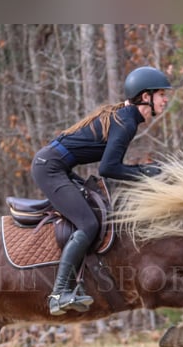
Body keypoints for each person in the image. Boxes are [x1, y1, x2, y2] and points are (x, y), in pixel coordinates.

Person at [31, 65, 172, 316]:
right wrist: (143, 173)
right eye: (161, 94)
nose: (166, 99)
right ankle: (59, 293)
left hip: (58, 167)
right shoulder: (126, 122)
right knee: (88, 224)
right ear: (145, 97)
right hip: (50, 168)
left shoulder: (126, 117)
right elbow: (108, 168)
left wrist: (143, 171)